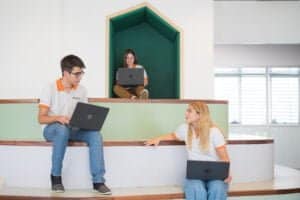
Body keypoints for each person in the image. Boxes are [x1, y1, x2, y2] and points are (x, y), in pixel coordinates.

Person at [38, 55, 111, 194]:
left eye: (81, 73)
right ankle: (56, 177)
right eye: (77, 74)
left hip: (72, 128)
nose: (80, 77)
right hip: (52, 129)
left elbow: (84, 114)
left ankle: (98, 181)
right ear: (65, 73)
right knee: (62, 130)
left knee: (95, 135)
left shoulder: (81, 90)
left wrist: (87, 122)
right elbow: (41, 118)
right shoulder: (50, 88)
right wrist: (58, 118)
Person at [145, 102, 231, 200]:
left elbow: (224, 158)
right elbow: (173, 135)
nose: (186, 113)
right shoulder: (184, 128)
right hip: (194, 175)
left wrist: (227, 173)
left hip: (215, 175)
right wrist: (158, 138)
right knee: (197, 189)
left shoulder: (214, 132)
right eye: (187, 110)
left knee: (217, 188)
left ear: (199, 114)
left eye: (189, 111)